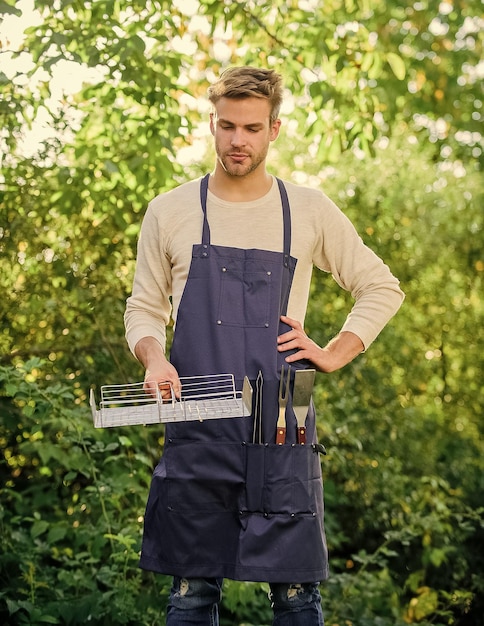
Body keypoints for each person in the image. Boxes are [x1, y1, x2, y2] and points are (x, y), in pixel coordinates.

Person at [124, 66, 404, 626]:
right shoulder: (170, 210)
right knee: (191, 593)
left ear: (274, 129)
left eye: (252, 128)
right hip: (199, 410)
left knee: (297, 597)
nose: (237, 140)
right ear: (212, 123)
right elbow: (145, 309)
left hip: (284, 412)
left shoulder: (308, 209)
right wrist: (154, 358)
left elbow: (380, 287)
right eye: (226, 126)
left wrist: (332, 352)